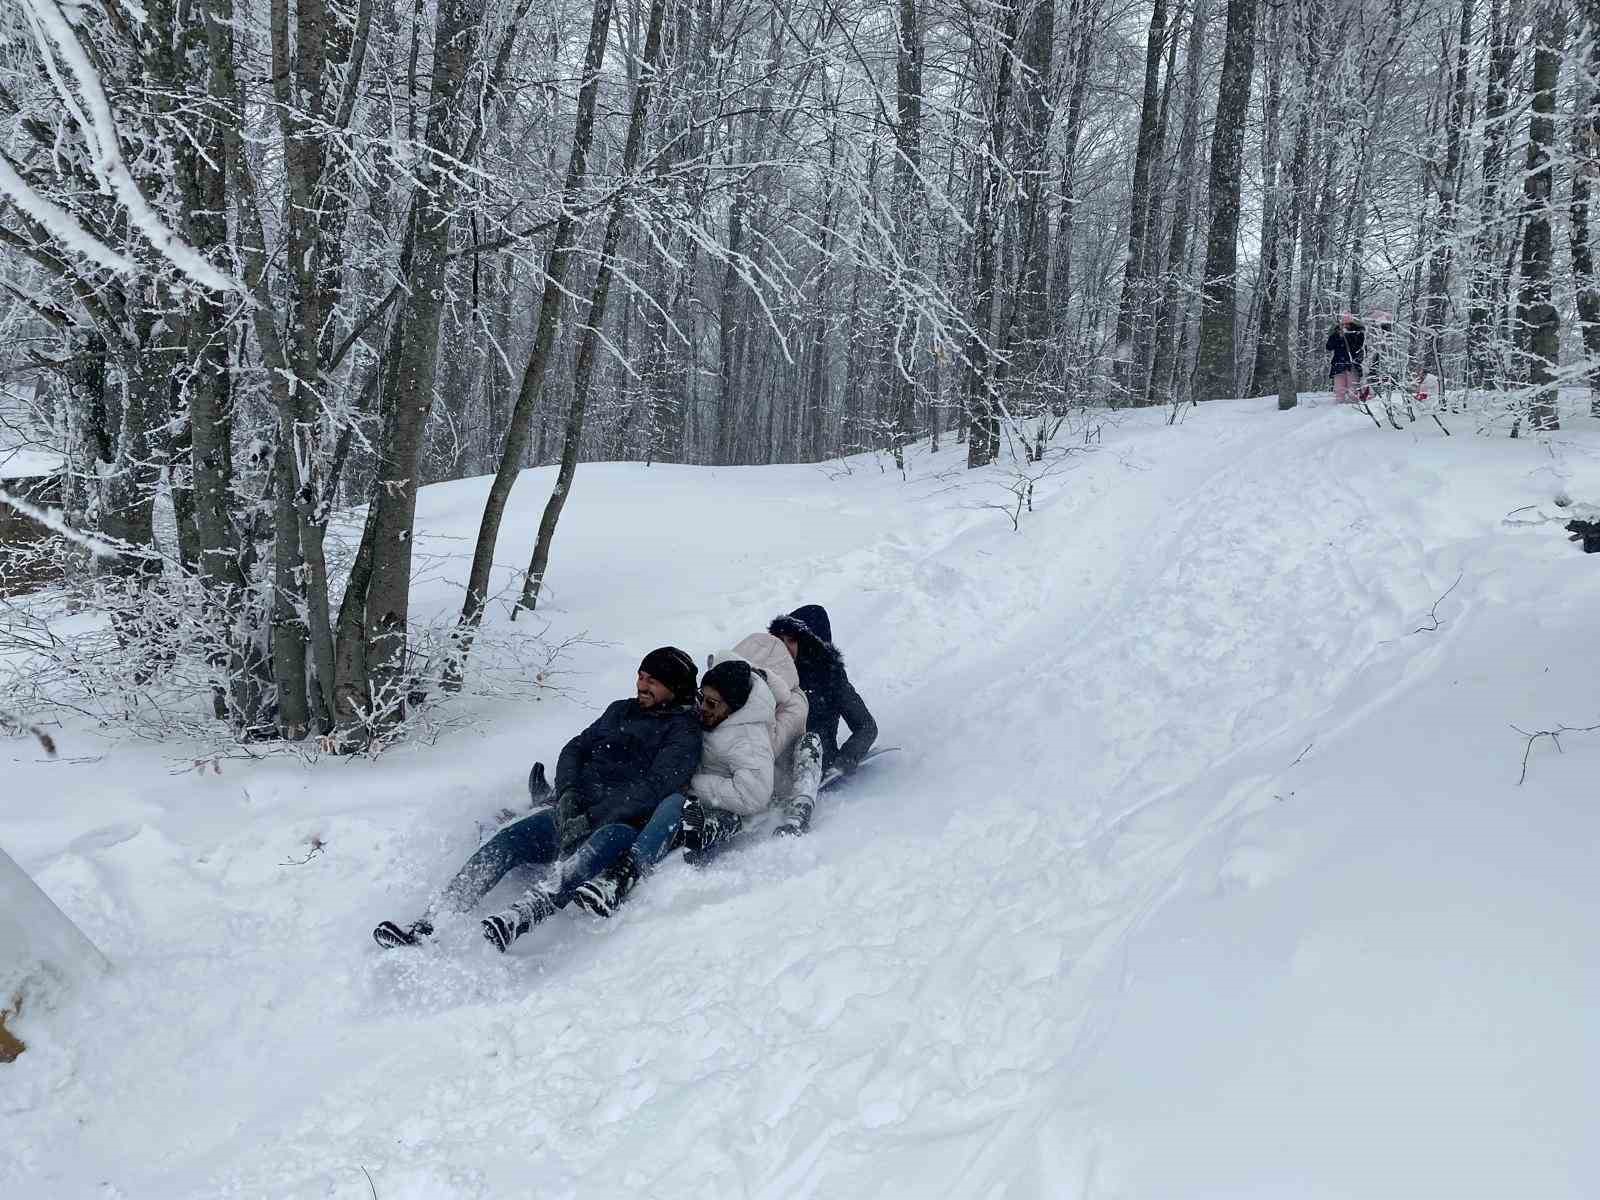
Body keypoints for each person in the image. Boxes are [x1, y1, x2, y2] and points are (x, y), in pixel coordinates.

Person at [372, 647, 701, 952]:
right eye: (641, 676)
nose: (642, 685)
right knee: (506, 843)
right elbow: (575, 749)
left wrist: (593, 817)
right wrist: (568, 795)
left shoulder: (683, 732)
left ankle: (521, 917)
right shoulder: (620, 710)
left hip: (619, 824)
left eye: (652, 681)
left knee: (590, 853)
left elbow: (655, 787)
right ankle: (430, 923)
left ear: (674, 688)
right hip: (570, 812)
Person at [572, 654, 788, 917]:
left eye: (711, 704)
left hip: (725, 810)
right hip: (685, 797)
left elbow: (752, 796)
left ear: (733, 708)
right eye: (701, 698)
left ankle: (623, 875)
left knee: (672, 803)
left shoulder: (748, 740)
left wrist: (692, 784)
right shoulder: (708, 717)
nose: (702, 708)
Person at [767, 604, 876, 835]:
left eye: (791, 640)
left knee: (808, 741)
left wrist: (845, 760)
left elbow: (866, 726)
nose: (784, 647)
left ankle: (798, 814)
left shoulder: (830, 677)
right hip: (774, 757)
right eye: (780, 640)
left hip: (814, 757)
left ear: (809, 642)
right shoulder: (770, 674)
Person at [1327, 314, 1365, 404]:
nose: (1345, 326)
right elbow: (1329, 347)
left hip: (1352, 364)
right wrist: (1337, 336)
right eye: (1343, 324)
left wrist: (1348, 336)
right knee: (1339, 387)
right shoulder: (1336, 334)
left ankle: (1353, 406)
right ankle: (1339, 405)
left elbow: (1358, 347)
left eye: (1348, 324)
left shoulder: (1357, 333)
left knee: (1353, 387)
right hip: (1338, 364)